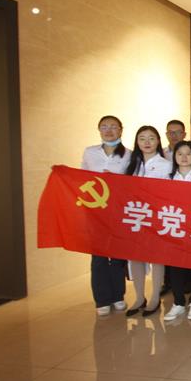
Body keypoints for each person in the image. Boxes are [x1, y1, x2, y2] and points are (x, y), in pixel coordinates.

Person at [82, 115, 131, 316]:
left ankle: (118, 296)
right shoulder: (90, 152)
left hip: (119, 211)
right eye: (104, 126)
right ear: (99, 129)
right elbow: (81, 177)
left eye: (113, 127)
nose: (109, 130)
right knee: (99, 256)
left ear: (121, 130)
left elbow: (133, 184)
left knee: (118, 255)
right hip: (96, 211)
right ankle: (102, 299)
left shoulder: (129, 155)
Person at [124, 126, 172, 317]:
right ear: (137, 142)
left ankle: (154, 298)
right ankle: (139, 297)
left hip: (155, 217)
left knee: (156, 258)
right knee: (135, 257)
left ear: (158, 141)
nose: (147, 142)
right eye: (142, 138)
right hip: (135, 216)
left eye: (151, 138)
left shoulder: (165, 165)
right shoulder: (131, 164)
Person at [163, 141, 191, 321]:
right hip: (174, 227)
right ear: (174, 156)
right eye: (179, 153)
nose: (184, 157)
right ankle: (178, 303)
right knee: (175, 267)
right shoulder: (167, 179)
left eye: (188, 153)